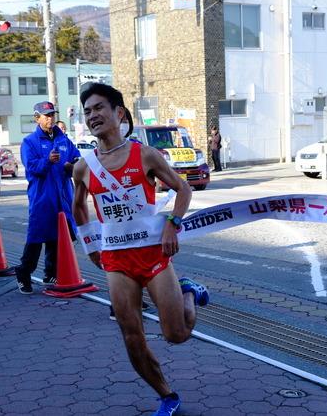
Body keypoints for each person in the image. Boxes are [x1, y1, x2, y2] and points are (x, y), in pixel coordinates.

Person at [73, 83, 209, 416]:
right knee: (131, 336)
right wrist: (91, 244)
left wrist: (172, 224)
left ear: (119, 113)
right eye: (87, 111)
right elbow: (77, 206)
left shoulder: (144, 155)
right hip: (117, 261)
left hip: (153, 256)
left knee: (176, 334)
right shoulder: (84, 166)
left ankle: (188, 291)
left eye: (99, 108)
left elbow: (182, 188)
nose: (93, 115)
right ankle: (166, 395)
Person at [15, 101, 81, 294]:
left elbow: (75, 157)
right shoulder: (30, 142)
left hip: (63, 196)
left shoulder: (63, 139)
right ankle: (23, 273)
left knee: (59, 235)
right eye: (46, 115)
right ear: (37, 118)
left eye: (52, 114)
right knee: (36, 237)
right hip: (42, 197)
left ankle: (51, 273)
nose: (50, 118)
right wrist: (47, 161)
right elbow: (32, 167)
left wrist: (73, 165)